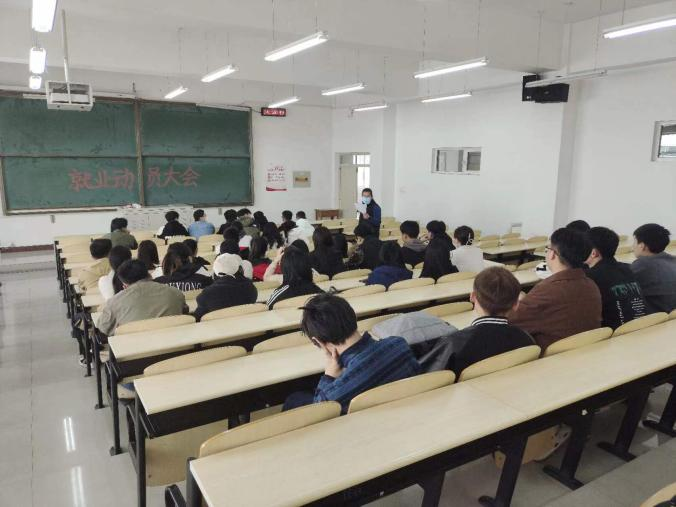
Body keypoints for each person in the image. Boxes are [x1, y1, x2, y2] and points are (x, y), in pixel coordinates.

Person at [282, 293, 420, 414]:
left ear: (319, 342)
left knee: (294, 399)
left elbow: (319, 410)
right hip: (408, 413)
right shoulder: (400, 345)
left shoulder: (332, 396)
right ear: (353, 316)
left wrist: (328, 377)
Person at [420, 267, 536, 377]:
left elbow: (429, 378)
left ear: (472, 297)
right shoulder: (526, 339)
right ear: (516, 304)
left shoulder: (453, 344)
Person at [509, 228, 602, 350]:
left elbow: (510, 321)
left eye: (548, 249)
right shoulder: (591, 285)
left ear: (552, 254)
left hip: (551, 356)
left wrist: (520, 302)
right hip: (584, 351)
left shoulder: (547, 290)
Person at [96, 259, 187, 337]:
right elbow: (184, 312)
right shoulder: (176, 293)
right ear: (149, 274)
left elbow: (103, 329)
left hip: (134, 350)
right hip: (175, 348)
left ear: (124, 284)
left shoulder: (115, 301)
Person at [585, 226, 647, 329]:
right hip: (641, 327)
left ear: (593, 253)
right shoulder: (628, 268)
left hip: (615, 333)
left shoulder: (589, 277)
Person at [192, 253, 258, 321]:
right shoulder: (251, 288)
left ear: (215, 273)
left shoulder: (207, 295)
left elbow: (197, 319)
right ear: (238, 269)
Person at [631, 223, 676, 314]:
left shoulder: (641, 265)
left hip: (658, 317)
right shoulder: (673, 260)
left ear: (642, 245)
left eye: (634, 242)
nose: (632, 247)